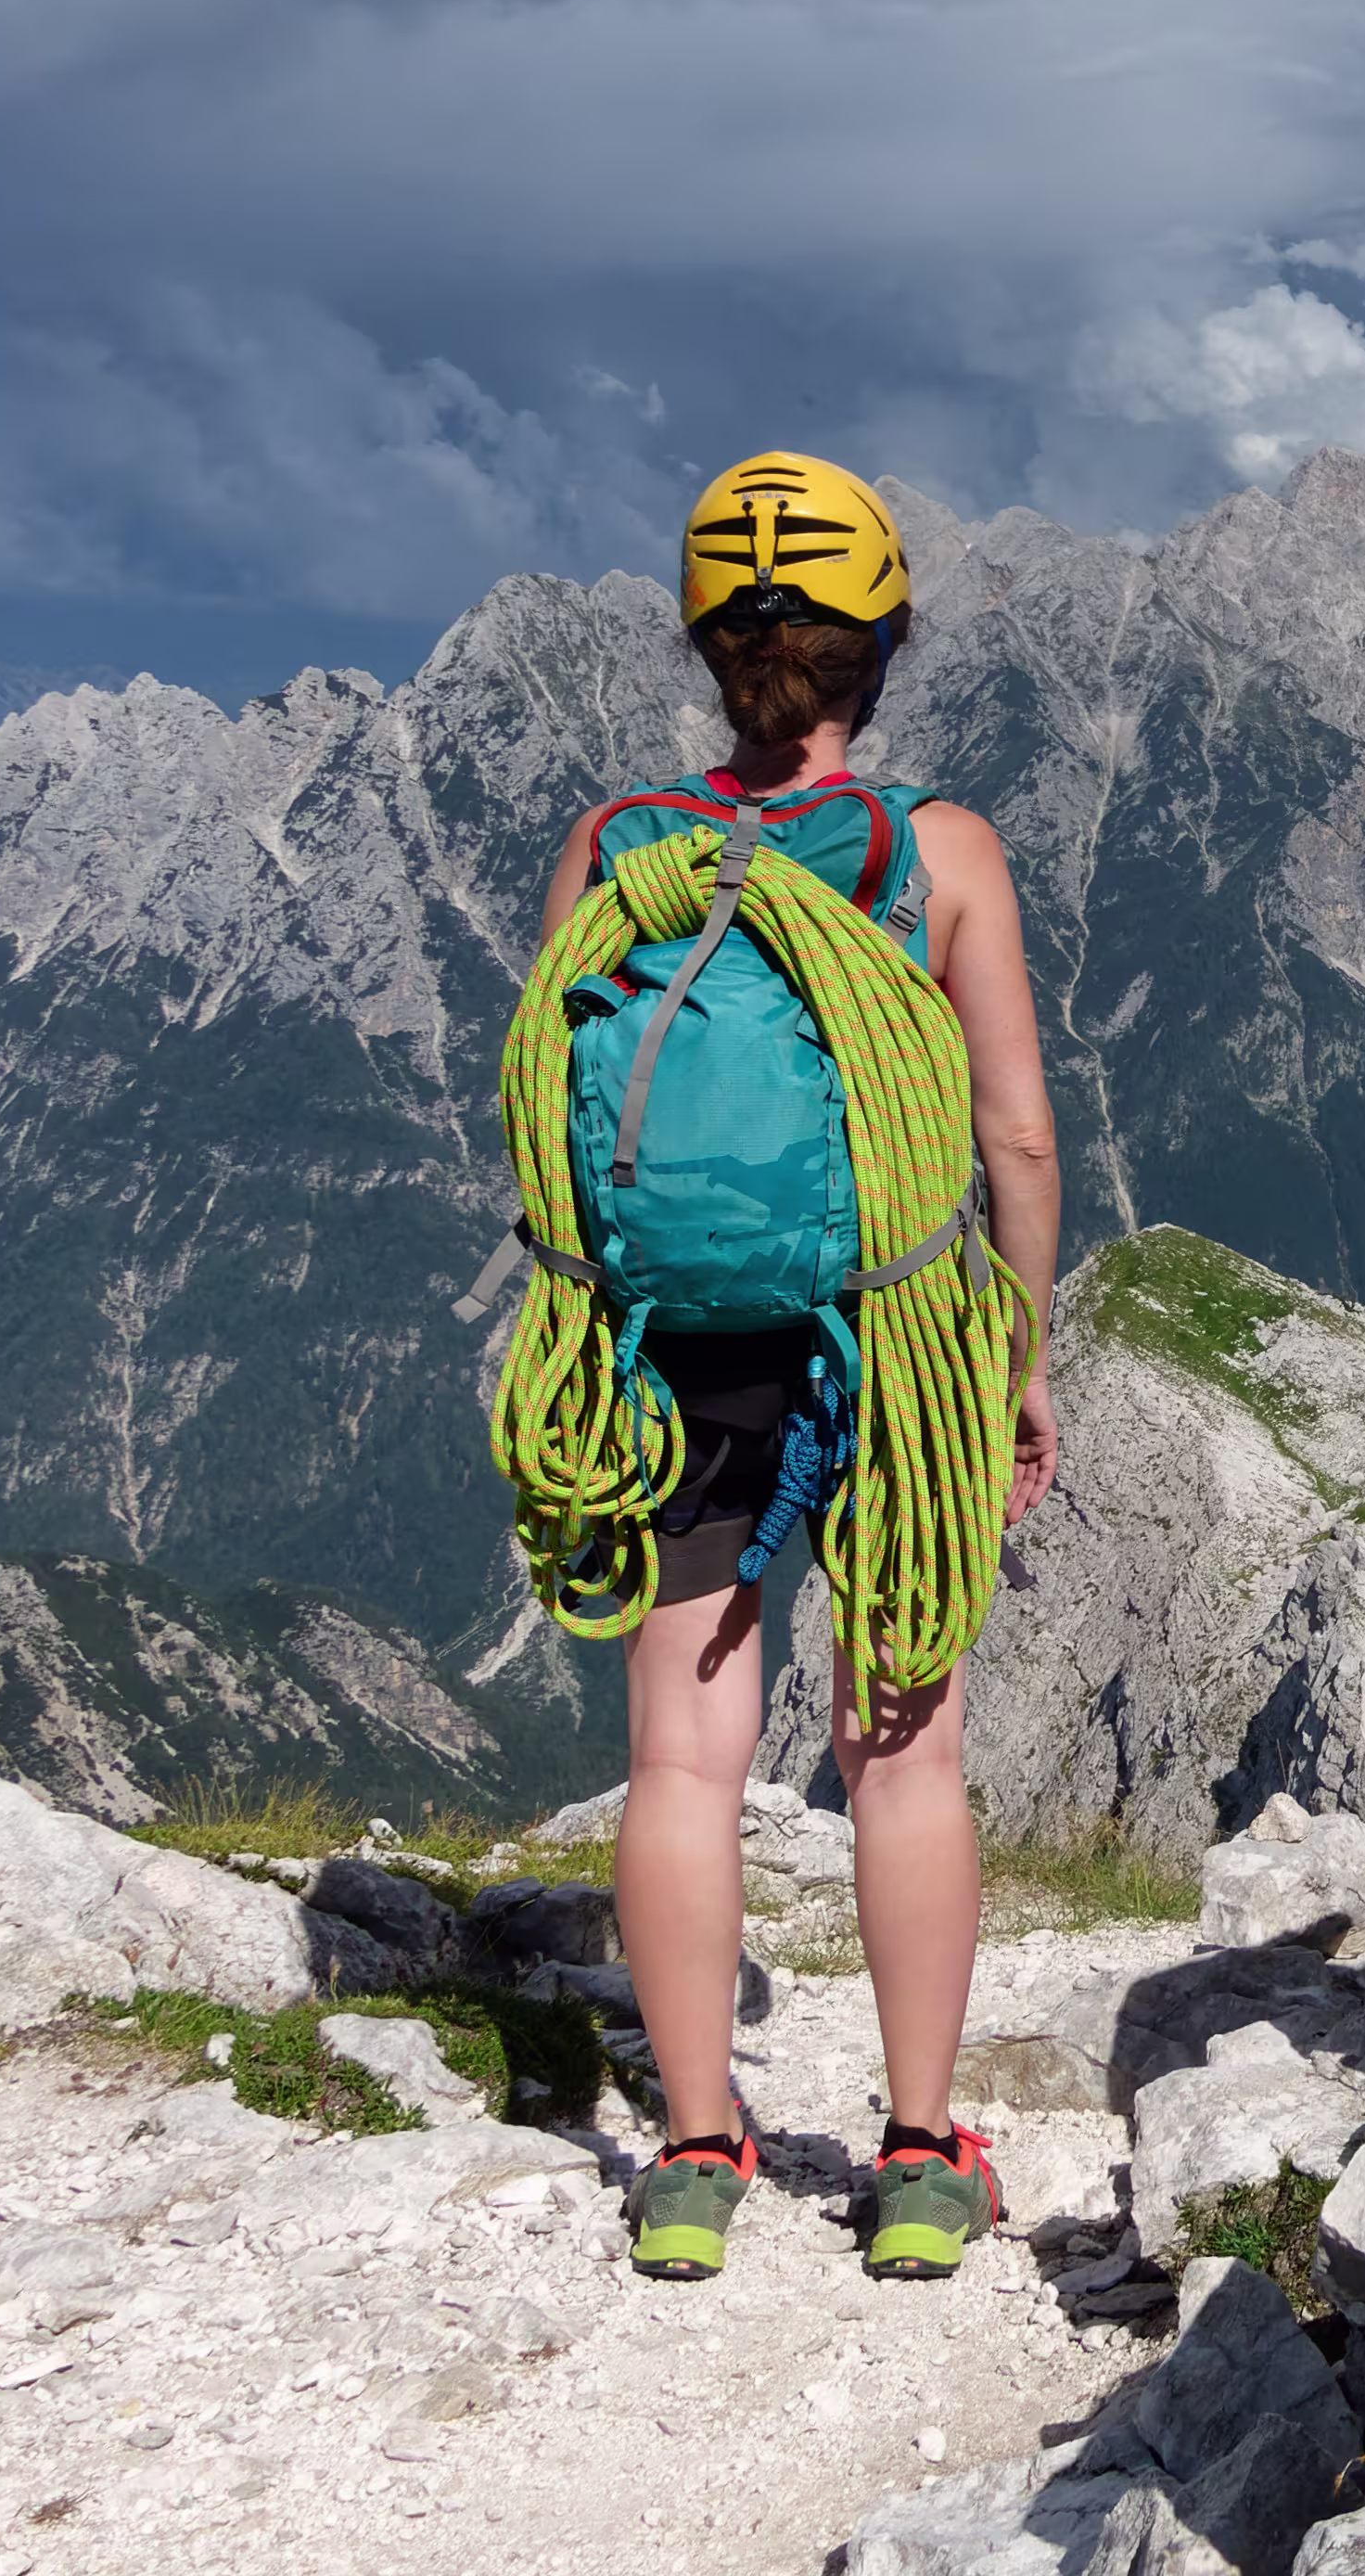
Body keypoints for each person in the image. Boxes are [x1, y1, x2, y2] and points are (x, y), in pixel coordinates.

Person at [534, 452, 1062, 2284]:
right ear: (884, 643)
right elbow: (1015, 1142)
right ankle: (919, 2158)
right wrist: (1020, 1357)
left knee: (685, 1757)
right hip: (892, 1340)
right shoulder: (935, 853)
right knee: (900, 1749)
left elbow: (553, 1122)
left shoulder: (618, 848)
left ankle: (690, 2155)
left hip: (671, 1350)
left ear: (708, 642)